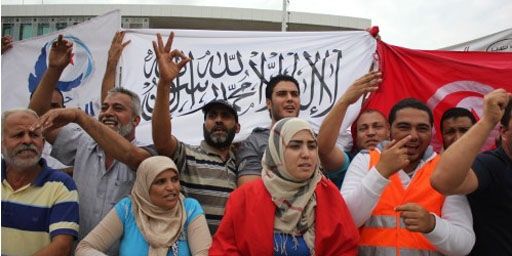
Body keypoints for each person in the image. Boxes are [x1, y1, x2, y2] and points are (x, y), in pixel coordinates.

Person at [29, 34, 152, 252]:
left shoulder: (146, 152)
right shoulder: (83, 143)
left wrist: (80, 116)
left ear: (136, 120)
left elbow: (132, 157)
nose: (108, 113)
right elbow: (37, 116)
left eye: (118, 108)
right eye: (104, 108)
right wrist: (55, 70)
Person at [341, 98, 475, 255]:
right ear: (389, 129)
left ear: (432, 131)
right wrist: (381, 172)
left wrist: (432, 225)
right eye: (404, 127)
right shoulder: (365, 159)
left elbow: (464, 245)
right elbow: (346, 219)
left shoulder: (444, 169)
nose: (413, 136)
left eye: (422, 128)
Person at [210, 117, 359, 255]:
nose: (306, 154)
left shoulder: (328, 194)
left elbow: (345, 249)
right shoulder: (244, 198)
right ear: (277, 151)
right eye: (295, 146)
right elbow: (224, 249)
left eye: (312, 146)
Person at [76, 156, 211, 256]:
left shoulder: (189, 208)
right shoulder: (128, 209)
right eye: (160, 182)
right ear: (144, 186)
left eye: (174, 179)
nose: (171, 187)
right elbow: (84, 248)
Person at [431, 89, 512, 255]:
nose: (457, 136)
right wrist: (488, 120)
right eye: (451, 132)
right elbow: (442, 181)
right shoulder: (491, 165)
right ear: (504, 132)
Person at [1, 109, 79, 256]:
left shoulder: (62, 186)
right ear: (2, 143)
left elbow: (61, 247)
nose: (27, 141)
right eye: (18, 135)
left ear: (42, 143)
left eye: (34, 135)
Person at [317, 71, 382, 188]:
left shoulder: (406, 163)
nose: (371, 133)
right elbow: (324, 150)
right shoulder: (349, 163)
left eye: (377, 126)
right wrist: (345, 101)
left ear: (389, 132)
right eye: (363, 128)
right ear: (355, 137)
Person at [236, 75, 301, 186]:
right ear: (269, 103)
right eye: (282, 94)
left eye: (294, 94)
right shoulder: (254, 142)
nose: (290, 98)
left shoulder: (312, 139)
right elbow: (250, 191)